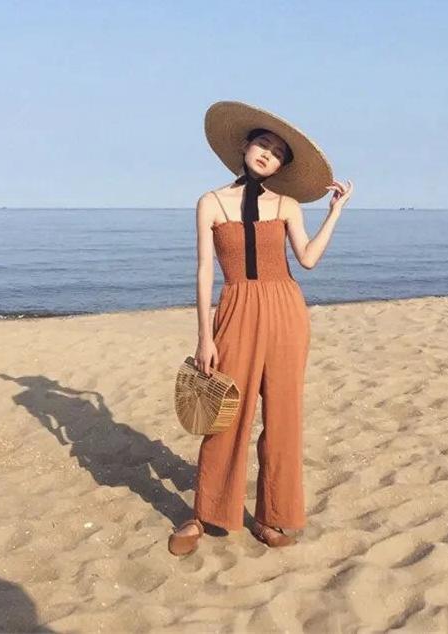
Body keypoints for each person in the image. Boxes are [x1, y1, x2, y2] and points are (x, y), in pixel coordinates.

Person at [169, 101, 353, 556]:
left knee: (284, 417)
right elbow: (203, 272)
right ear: (245, 147)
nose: (268, 153)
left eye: (277, 152)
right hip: (235, 307)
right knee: (226, 413)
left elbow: (307, 260)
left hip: (286, 308)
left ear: (281, 166)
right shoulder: (210, 202)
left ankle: (274, 516)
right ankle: (204, 513)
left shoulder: (287, 205)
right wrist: (204, 337)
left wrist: (336, 211)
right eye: (262, 143)